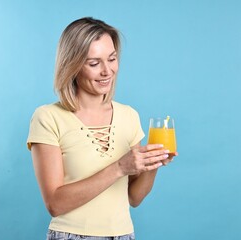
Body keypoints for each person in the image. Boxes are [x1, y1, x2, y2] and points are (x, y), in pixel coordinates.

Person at [27, 17, 178, 240]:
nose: (107, 71)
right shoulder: (48, 117)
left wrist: (152, 163)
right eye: (94, 63)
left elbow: (133, 198)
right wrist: (119, 167)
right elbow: (55, 204)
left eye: (112, 59)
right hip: (71, 235)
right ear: (73, 65)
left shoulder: (129, 116)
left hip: (123, 234)